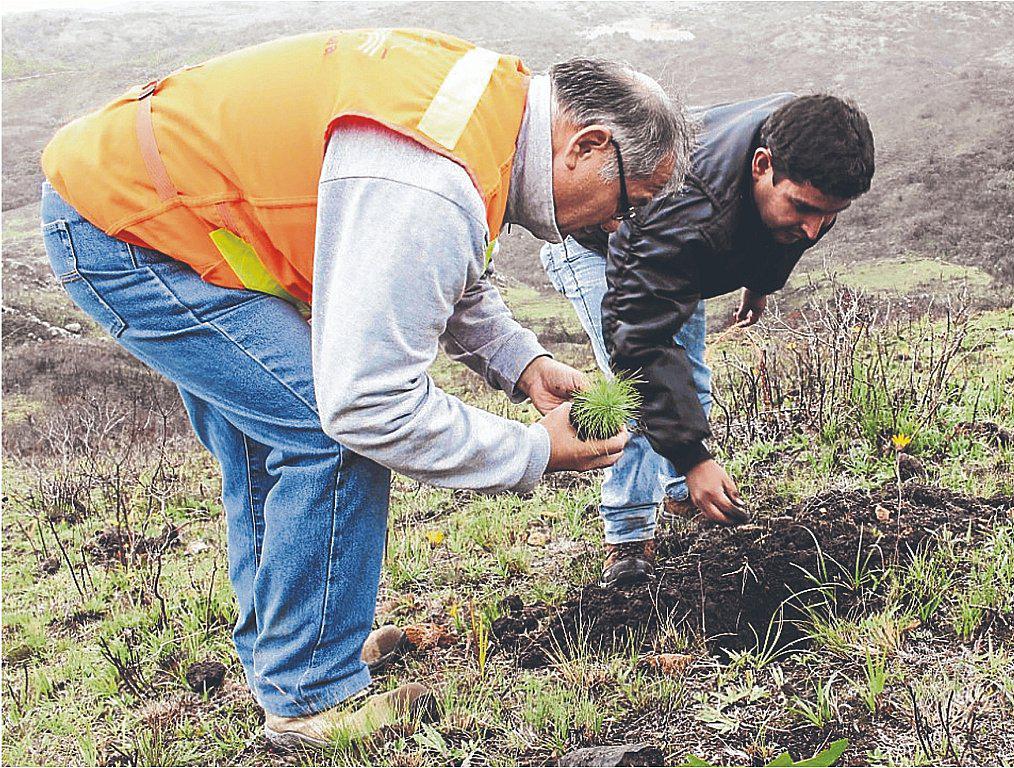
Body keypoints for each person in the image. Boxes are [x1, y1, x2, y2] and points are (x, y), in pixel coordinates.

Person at [38, 28, 691, 747]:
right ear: (589, 145)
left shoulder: (493, 117)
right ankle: (309, 697)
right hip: (128, 227)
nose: (620, 223)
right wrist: (535, 452)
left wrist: (521, 362)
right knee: (327, 434)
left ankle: (292, 656)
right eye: (630, 199)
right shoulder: (428, 176)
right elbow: (367, 406)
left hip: (154, 202)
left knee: (274, 436)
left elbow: (440, 257)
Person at [539, 94, 875, 587]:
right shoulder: (686, 209)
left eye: (829, 214)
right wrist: (697, 457)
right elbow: (641, 344)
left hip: (679, 253)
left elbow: (794, 226)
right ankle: (629, 531)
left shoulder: (808, 147)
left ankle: (682, 490)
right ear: (762, 166)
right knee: (632, 394)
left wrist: (760, 283)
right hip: (597, 241)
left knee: (690, 375)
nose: (813, 229)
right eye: (804, 209)